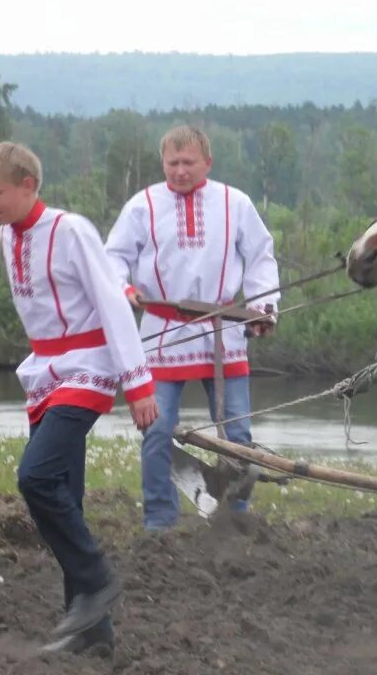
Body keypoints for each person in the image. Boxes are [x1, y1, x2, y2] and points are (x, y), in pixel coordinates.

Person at [0, 141, 158, 654]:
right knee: (64, 499)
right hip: (45, 373)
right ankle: (92, 633)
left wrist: (138, 384)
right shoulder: (7, 236)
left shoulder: (71, 229)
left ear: (27, 185)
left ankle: (97, 580)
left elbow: (111, 302)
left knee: (34, 477)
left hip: (89, 367)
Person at [105, 125, 280, 530]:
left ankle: (234, 517)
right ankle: (160, 522)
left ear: (207, 163)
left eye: (188, 163)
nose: (180, 171)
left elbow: (260, 256)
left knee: (238, 434)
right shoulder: (141, 206)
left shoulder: (235, 203)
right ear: (163, 163)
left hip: (224, 331)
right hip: (161, 333)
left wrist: (263, 308)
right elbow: (112, 257)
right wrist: (123, 289)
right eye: (172, 163)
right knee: (156, 428)